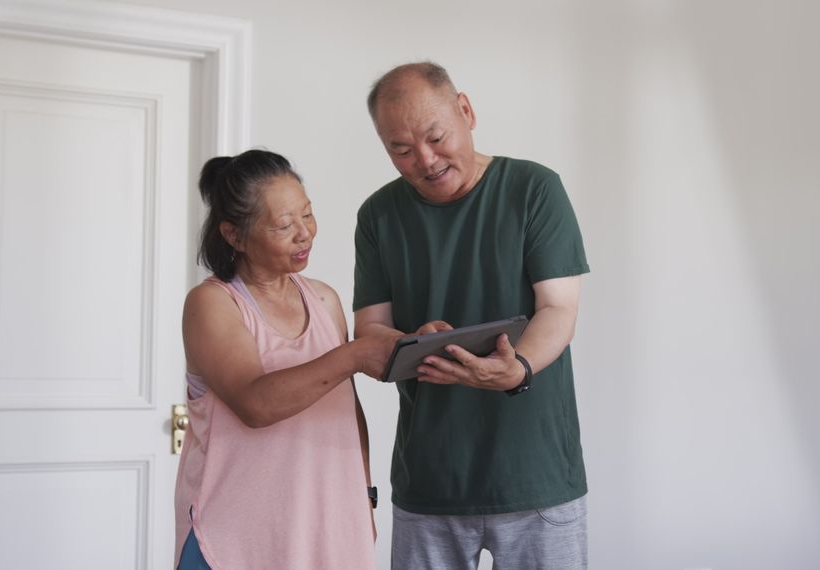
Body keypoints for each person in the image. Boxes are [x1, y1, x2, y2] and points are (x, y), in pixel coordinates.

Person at [354, 62, 590, 569]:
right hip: (430, 480)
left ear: (466, 110)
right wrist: (410, 341)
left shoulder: (534, 189)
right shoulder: (378, 215)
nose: (425, 159)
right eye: (400, 149)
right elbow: (369, 332)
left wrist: (517, 367)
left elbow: (559, 308)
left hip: (537, 478)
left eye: (436, 137)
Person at [174, 149, 396, 569]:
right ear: (234, 235)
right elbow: (255, 404)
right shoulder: (212, 304)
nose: (304, 234)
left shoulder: (325, 299)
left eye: (308, 215)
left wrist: (364, 496)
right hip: (235, 536)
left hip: (327, 525)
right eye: (283, 224)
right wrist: (354, 354)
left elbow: (347, 409)